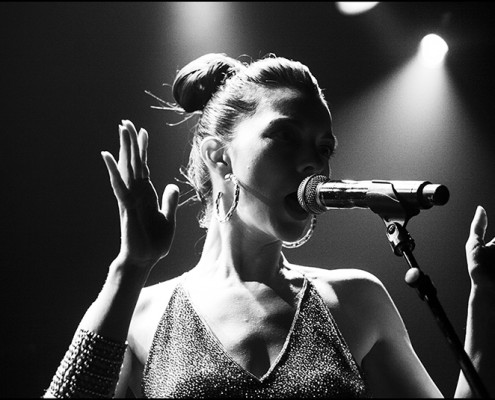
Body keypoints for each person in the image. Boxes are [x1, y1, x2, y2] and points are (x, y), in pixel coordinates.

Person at [44, 53, 495, 398]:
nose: (313, 162)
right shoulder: (142, 314)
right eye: (285, 136)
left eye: (324, 148)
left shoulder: (355, 299)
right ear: (219, 157)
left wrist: (488, 299)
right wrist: (131, 266)